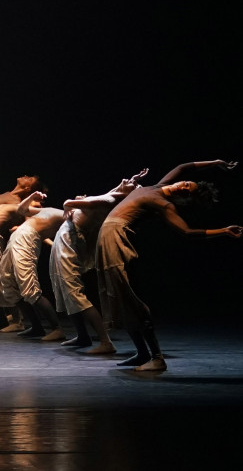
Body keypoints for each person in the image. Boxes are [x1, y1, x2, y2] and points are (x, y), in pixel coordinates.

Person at [96, 159, 241, 372]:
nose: (182, 185)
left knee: (129, 297)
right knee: (119, 297)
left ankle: (156, 357)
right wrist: (216, 162)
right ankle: (143, 353)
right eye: (185, 183)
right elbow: (184, 167)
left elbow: (187, 232)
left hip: (116, 237)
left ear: (183, 198)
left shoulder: (163, 203)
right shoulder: (157, 187)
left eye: (186, 190)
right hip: (107, 236)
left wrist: (224, 231)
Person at [50, 169, 148, 355]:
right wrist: (132, 181)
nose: (127, 179)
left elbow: (67, 202)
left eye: (132, 184)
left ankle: (105, 341)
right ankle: (82, 336)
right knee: (64, 288)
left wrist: (69, 207)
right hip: (67, 235)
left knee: (72, 289)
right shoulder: (113, 196)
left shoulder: (109, 200)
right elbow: (117, 190)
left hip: (70, 238)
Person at [0, 175, 46, 329]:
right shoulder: (6, 195)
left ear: (27, 188)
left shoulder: (19, 203)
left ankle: (16, 319)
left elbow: (28, 221)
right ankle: (0, 316)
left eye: (29, 178)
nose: (25, 175)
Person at [0, 191, 65, 340]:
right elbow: (21, 209)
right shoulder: (40, 214)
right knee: (8, 284)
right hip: (16, 240)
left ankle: (57, 329)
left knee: (29, 288)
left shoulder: (61, 213)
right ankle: (36, 327)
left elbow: (44, 236)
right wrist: (32, 196)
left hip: (26, 240)